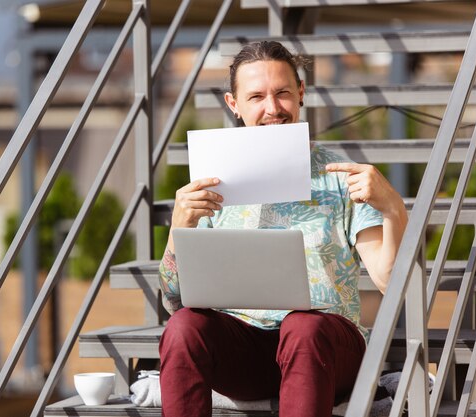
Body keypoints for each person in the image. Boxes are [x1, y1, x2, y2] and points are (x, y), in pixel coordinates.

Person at [157, 41, 408, 417]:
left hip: (326, 349)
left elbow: (390, 281)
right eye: (256, 96)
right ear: (233, 104)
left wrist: (393, 209)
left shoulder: (341, 176)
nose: (272, 108)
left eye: (282, 93)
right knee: (182, 327)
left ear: (301, 93)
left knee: (303, 326)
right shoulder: (214, 180)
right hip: (245, 352)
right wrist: (179, 229)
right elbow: (173, 299)